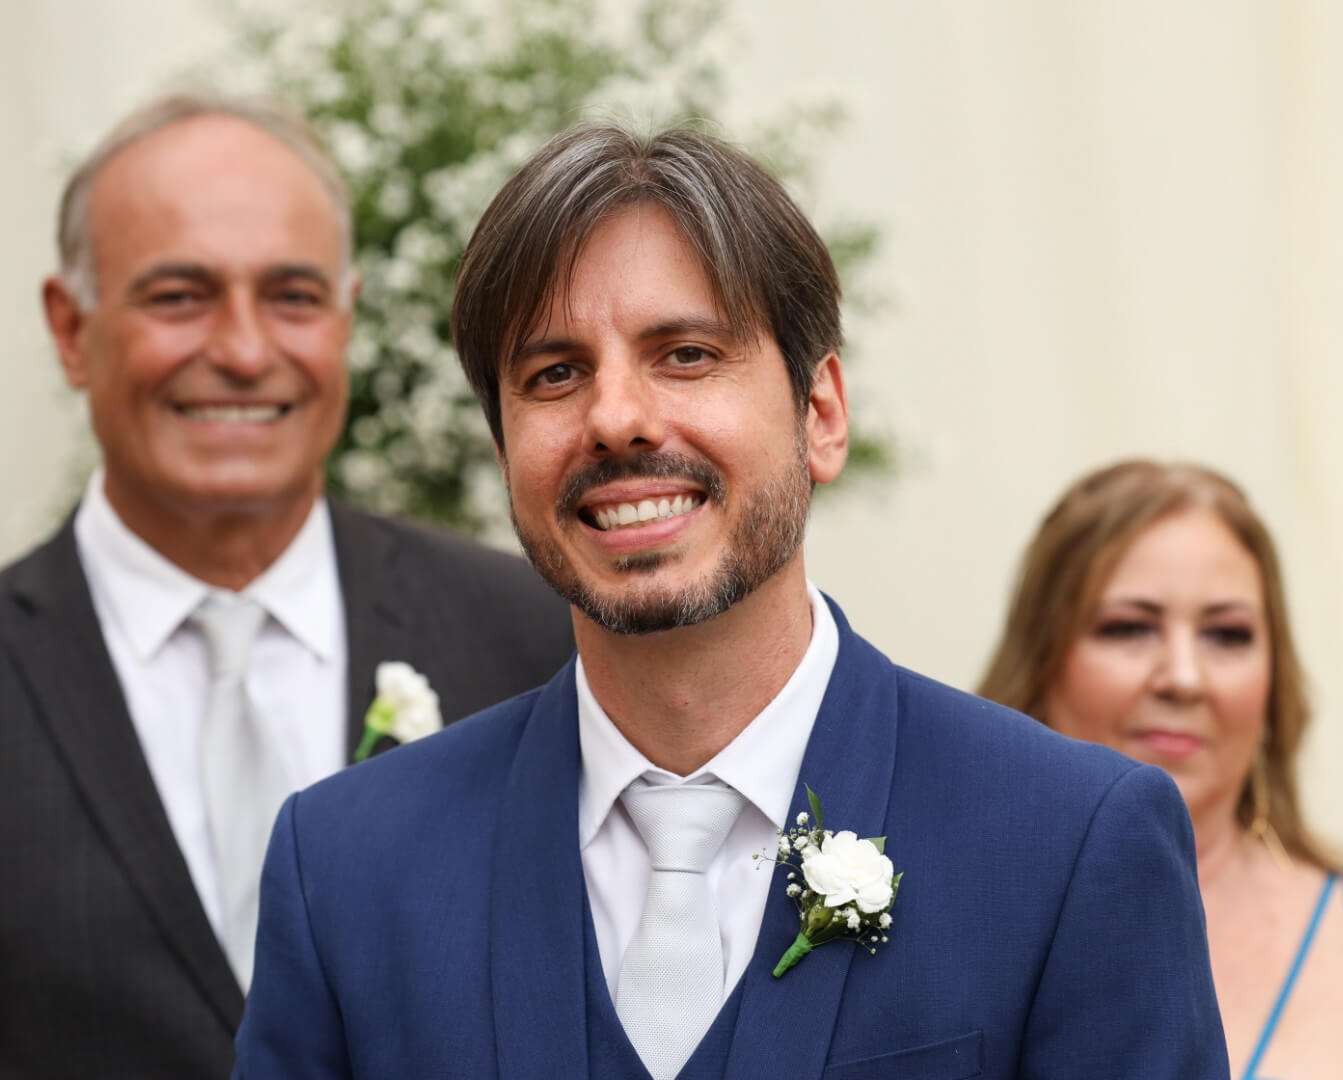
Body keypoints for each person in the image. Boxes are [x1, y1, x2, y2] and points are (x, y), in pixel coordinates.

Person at [233, 124, 1229, 1078]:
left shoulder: (1070, 843)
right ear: (504, 452)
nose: (616, 418)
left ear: (820, 415)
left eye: (687, 354)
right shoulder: (346, 870)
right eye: (556, 374)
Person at [0, 92, 574, 1079]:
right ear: (70, 328)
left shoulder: (536, 643)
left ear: (346, 318)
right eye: (180, 296)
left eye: (293, 296)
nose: (241, 350)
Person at [978, 460, 1343, 1077]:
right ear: (1040, 661)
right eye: (1129, 628)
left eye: (1227, 634)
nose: (1184, 678)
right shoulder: (945, 920)